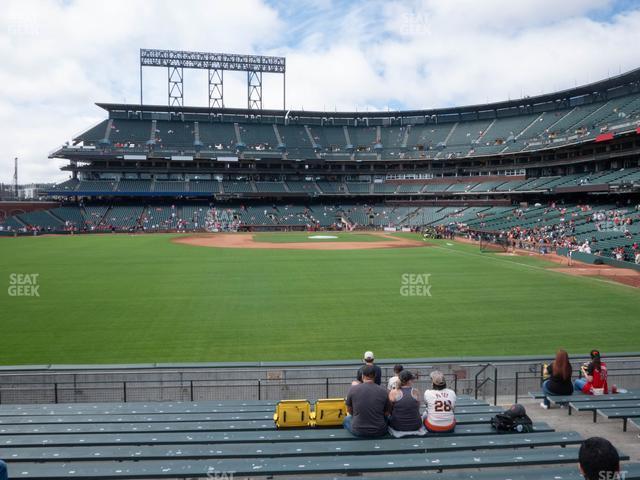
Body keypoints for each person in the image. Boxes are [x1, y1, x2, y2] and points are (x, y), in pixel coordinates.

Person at [344, 365, 391, 437]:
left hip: (359, 430)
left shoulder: (353, 389)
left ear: (362, 376)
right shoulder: (384, 390)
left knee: (347, 419)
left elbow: (349, 411)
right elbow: (387, 412)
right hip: (379, 430)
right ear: (375, 376)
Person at [388, 370, 426, 437]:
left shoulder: (393, 392)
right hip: (415, 425)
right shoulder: (416, 391)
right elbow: (417, 408)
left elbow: (389, 410)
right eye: (411, 379)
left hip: (398, 426)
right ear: (409, 381)